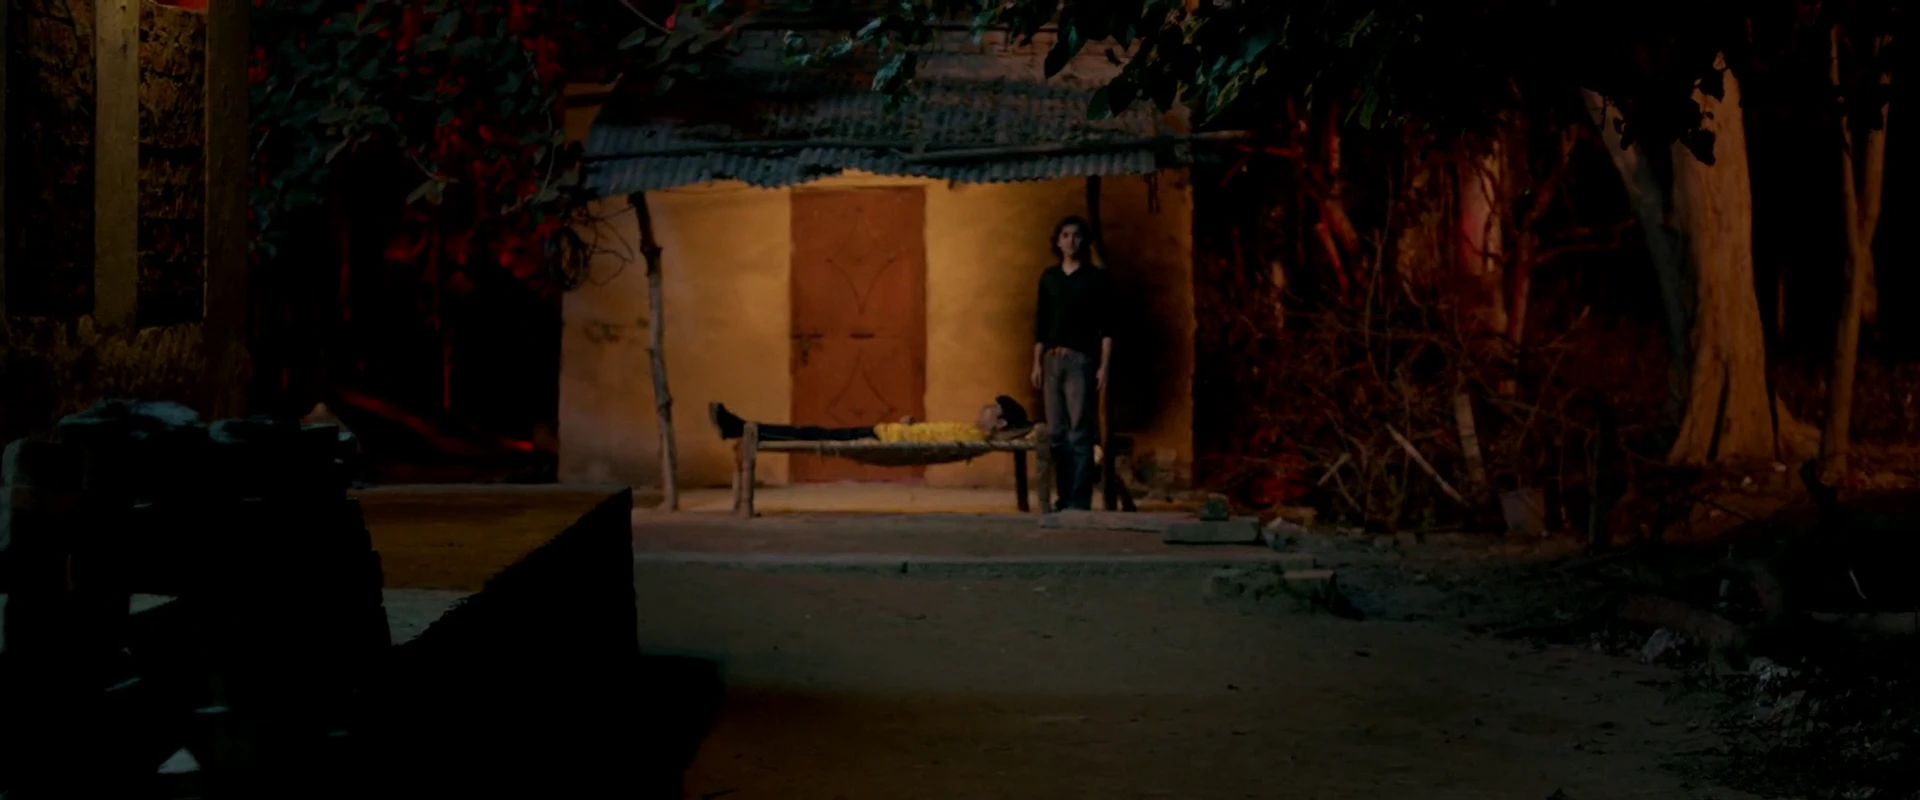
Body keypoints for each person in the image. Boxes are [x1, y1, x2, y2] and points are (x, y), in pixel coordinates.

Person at [1031, 215, 1112, 511]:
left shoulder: (1094, 279)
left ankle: (1079, 500)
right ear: (1057, 241)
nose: (1071, 241)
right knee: (1056, 434)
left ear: (1083, 241)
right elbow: (1041, 324)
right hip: (1052, 359)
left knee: (1079, 432)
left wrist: (1104, 366)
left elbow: (1107, 328)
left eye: (1076, 236)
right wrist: (1036, 363)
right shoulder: (1049, 278)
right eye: (1065, 235)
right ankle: (1062, 498)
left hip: (1081, 360)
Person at [707, 397, 1034, 443]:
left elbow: (934, 442)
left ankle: (740, 428)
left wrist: (906, 433)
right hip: (887, 431)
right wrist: (911, 426)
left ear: (1000, 424)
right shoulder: (971, 431)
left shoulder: (975, 437)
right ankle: (740, 427)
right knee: (813, 432)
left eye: (992, 410)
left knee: (812, 435)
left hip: (881, 437)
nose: (984, 409)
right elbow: (934, 434)